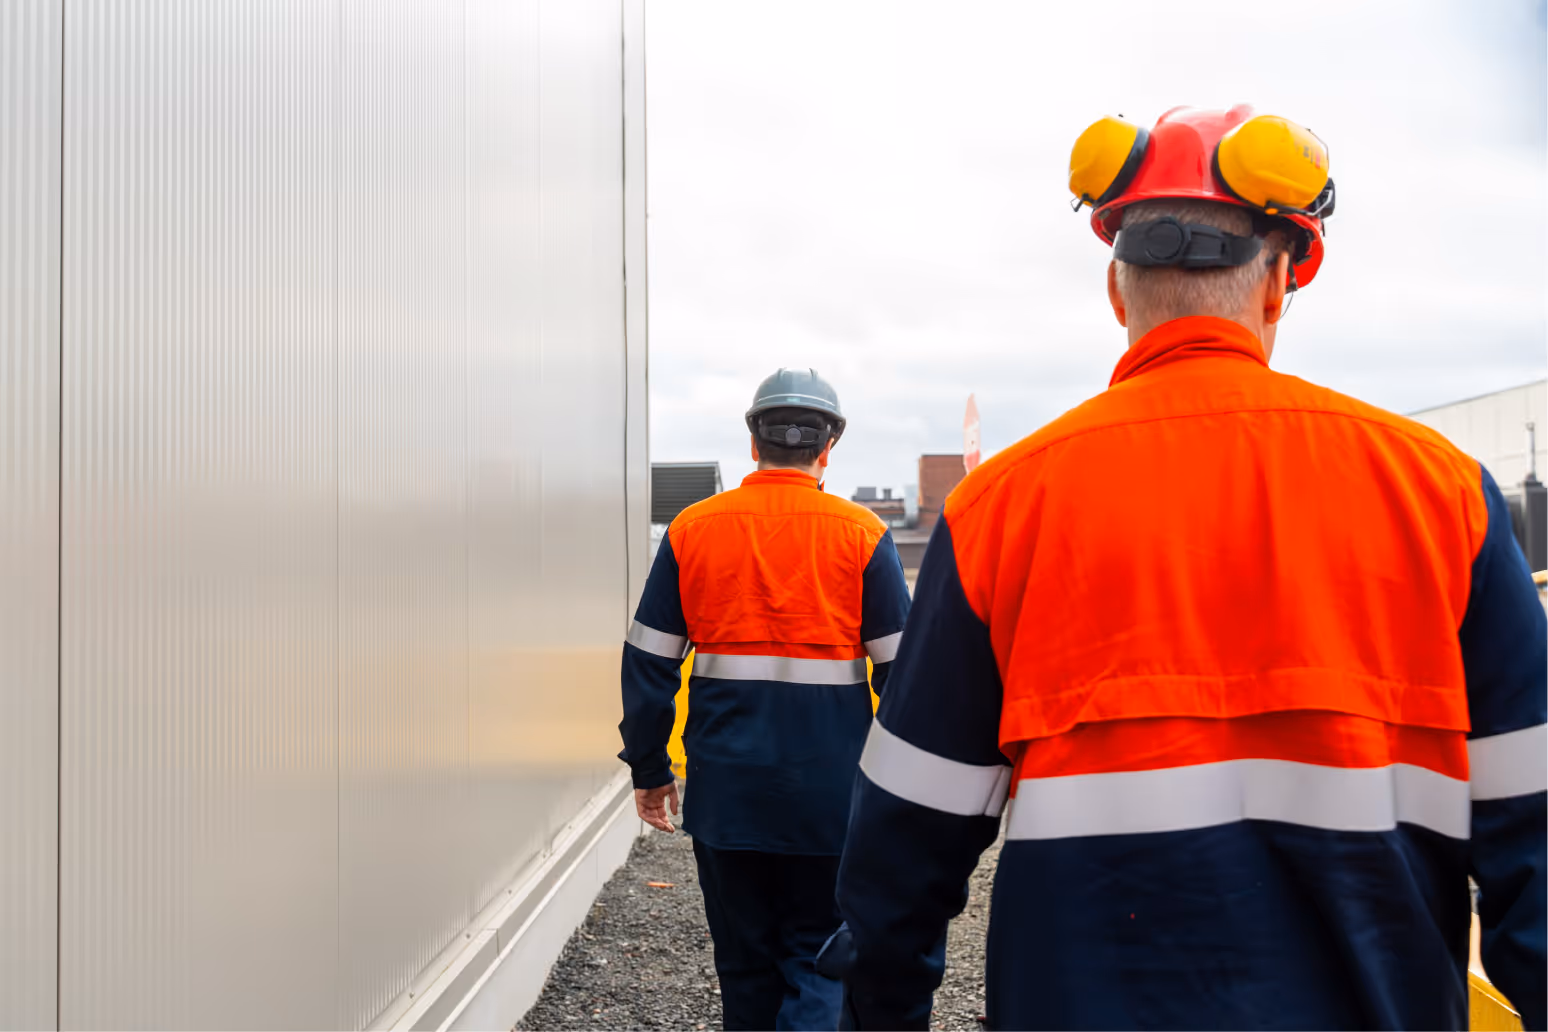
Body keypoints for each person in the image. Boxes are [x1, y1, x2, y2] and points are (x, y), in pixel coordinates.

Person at [823, 105, 1547, 1030]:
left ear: (1118, 289)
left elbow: (902, 847)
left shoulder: (1001, 508)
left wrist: (881, 1010)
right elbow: (1535, 832)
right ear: (1285, 279)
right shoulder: (1442, 494)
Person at [618, 368, 912, 1031]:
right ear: (828, 447)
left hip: (727, 798)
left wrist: (649, 770)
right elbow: (905, 680)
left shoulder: (693, 529)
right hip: (832, 800)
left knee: (744, 963)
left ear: (754, 442)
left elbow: (648, 665)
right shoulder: (862, 534)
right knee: (818, 958)